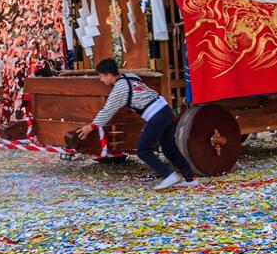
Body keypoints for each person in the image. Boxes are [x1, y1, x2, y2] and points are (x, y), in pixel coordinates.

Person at [77, 58, 198, 191]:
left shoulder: (119, 90)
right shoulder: (130, 76)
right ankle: (190, 178)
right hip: (165, 109)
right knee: (169, 148)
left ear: (109, 75)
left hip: (156, 115)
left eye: (101, 76)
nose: (101, 80)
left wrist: (90, 126)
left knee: (143, 150)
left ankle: (169, 175)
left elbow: (107, 111)